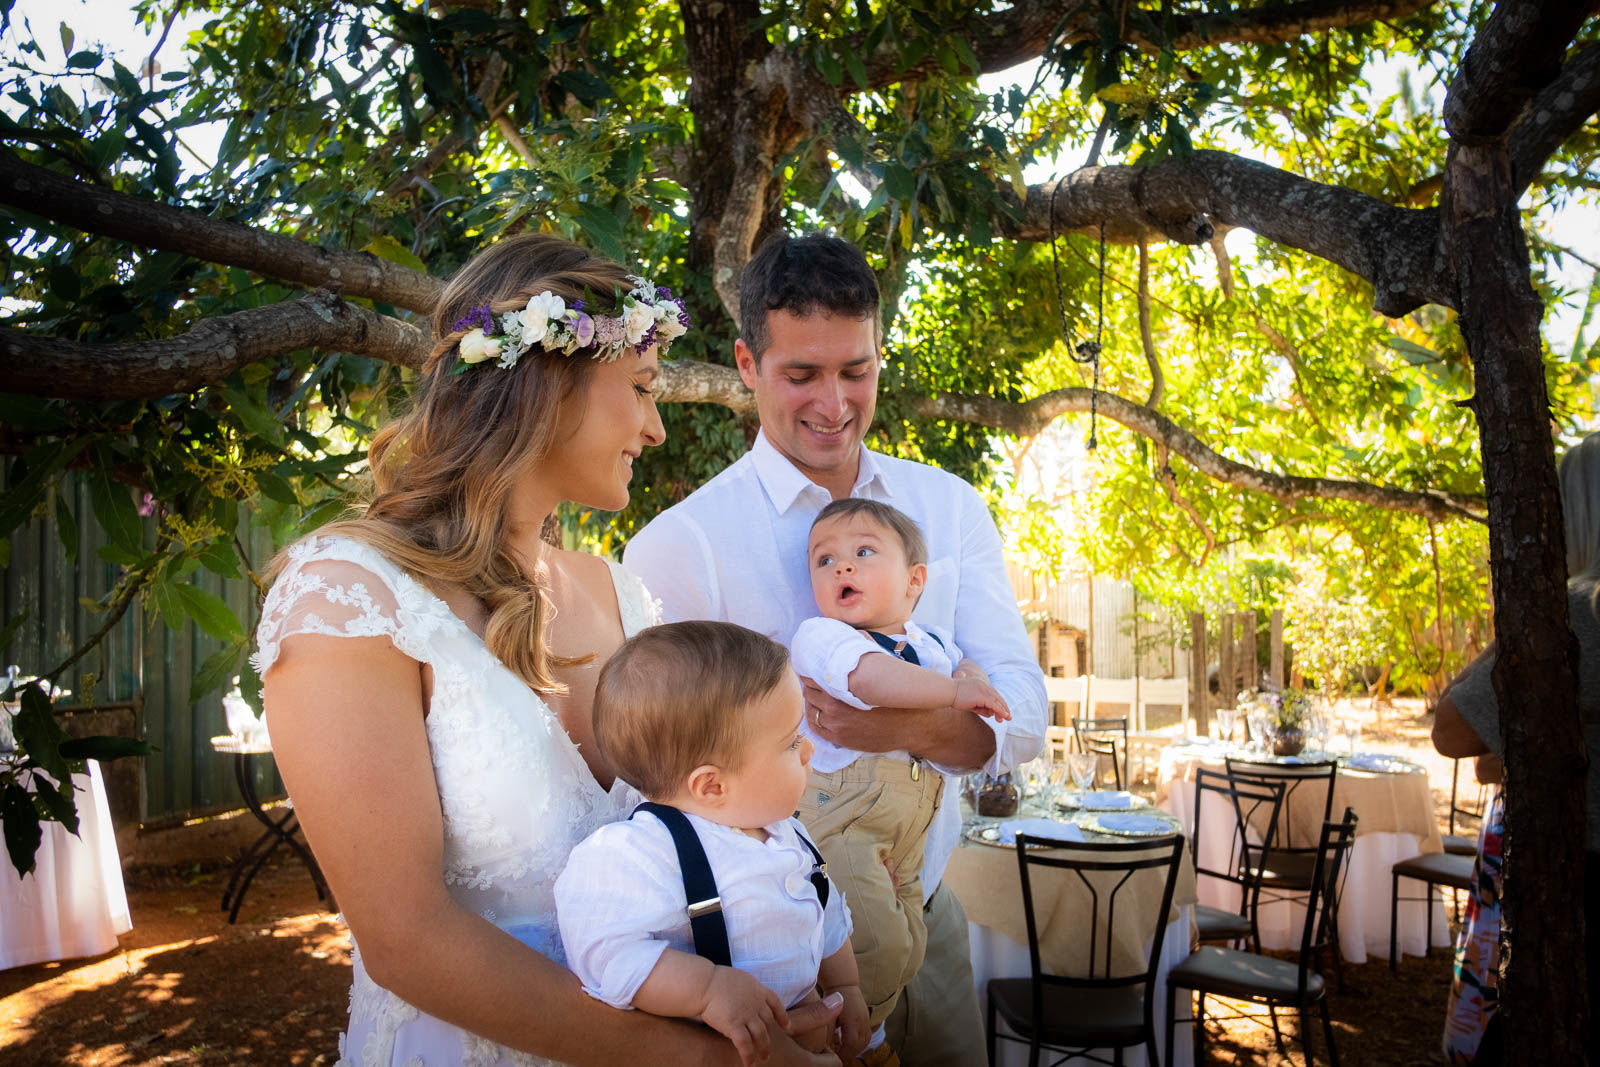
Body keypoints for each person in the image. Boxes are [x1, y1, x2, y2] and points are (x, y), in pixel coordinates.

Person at [254, 234, 840, 1066]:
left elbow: (706, 842)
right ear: (546, 385)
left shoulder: (620, 594)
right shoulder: (348, 599)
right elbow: (406, 937)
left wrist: (768, 1013)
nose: (656, 427)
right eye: (640, 389)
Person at [624, 233, 1048, 1065]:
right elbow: (658, 780)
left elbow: (1024, 716)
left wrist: (890, 728)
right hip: (770, 952)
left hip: (931, 906)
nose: (835, 401)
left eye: (856, 370)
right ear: (747, 364)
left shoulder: (949, 507)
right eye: (802, 374)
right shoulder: (682, 546)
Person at [556, 622, 871, 1066]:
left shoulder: (784, 831)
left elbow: (826, 912)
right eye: (791, 742)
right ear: (712, 786)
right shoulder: (641, 854)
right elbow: (604, 952)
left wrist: (846, 988)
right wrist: (706, 989)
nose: (808, 752)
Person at [787, 498, 1010, 1047]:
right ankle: (853, 1040)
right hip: (840, 820)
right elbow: (874, 682)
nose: (842, 566)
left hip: (913, 830)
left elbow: (964, 663)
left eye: (863, 552)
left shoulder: (932, 643)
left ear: (914, 581)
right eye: (825, 560)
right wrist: (957, 693)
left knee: (910, 944)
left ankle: (869, 1025)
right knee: (873, 944)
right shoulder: (824, 638)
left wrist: (970, 672)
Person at [1433, 431, 1600, 1064]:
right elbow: (1488, 758)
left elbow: (1451, 730)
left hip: (1572, 877)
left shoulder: (1575, 612)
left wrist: (1520, 621)